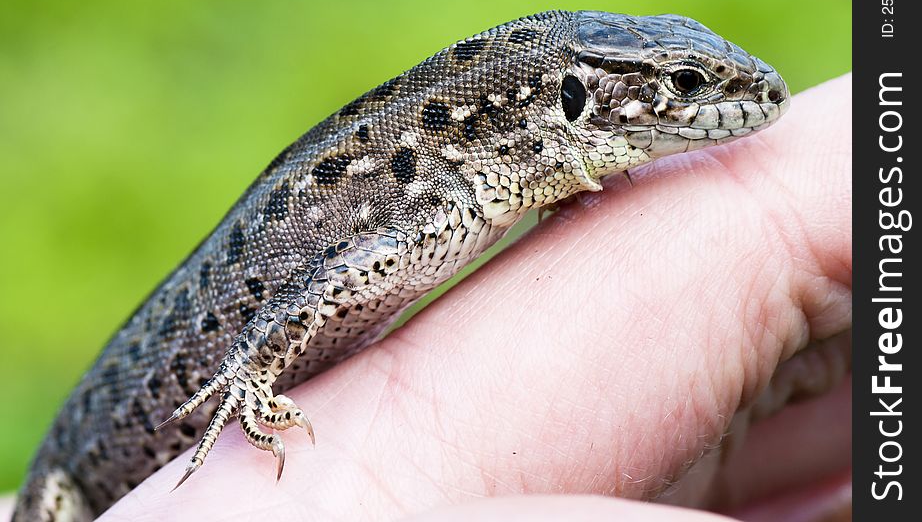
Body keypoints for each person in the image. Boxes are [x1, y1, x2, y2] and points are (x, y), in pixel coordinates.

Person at [0, 74, 852, 521]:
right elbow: (331, 282)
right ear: (575, 99)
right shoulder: (437, 203)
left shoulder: (491, 168)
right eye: (681, 90)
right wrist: (250, 376)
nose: (750, 98)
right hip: (77, 488)